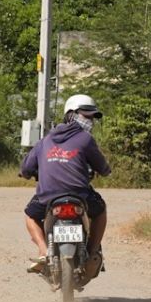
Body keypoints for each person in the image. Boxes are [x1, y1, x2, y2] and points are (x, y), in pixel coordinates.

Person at [21, 93, 111, 273]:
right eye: (86, 115)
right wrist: (104, 171)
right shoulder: (85, 139)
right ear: (71, 114)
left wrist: (28, 173)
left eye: (92, 117)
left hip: (47, 196)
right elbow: (103, 167)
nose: (90, 121)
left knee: (30, 216)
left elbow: (25, 169)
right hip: (80, 194)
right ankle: (92, 253)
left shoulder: (45, 140)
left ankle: (43, 251)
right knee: (100, 211)